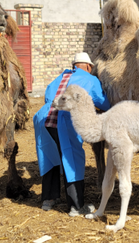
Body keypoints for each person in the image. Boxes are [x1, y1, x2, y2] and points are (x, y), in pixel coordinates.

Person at [33, 52, 110, 216]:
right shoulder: (90, 80)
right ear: (89, 67)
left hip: (43, 119)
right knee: (72, 158)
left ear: (74, 65)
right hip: (64, 120)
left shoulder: (59, 77)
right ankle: (76, 206)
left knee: (50, 157)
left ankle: (49, 199)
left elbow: (48, 96)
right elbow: (103, 102)